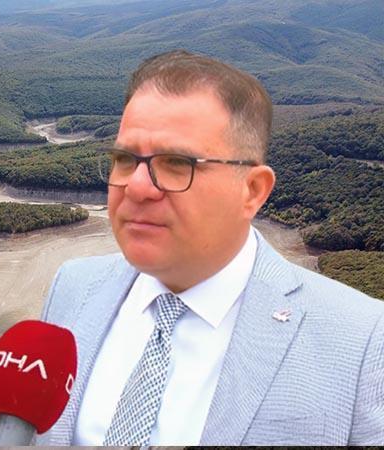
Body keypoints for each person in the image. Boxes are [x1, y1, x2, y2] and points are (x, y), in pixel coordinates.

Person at [34, 50, 384, 446]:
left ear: (252, 191)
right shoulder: (73, 286)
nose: (136, 186)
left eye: (176, 163)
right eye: (124, 159)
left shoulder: (363, 341)